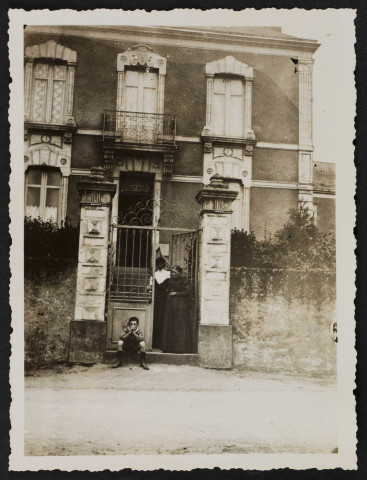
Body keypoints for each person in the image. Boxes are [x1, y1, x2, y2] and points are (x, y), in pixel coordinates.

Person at [161, 265, 194, 353]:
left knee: (179, 325)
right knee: (170, 324)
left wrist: (176, 293)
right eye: (172, 272)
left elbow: (188, 292)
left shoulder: (185, 280)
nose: (173, 274)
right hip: (170, 306)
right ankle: (168, 348)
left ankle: (180, 349)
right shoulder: (169, 280)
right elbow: (160, 287)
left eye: (175, 272)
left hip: (181, 306)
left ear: (180, 273)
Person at [151, 257, 170, 349]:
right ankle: (154, 343)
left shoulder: (168, 274)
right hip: (156, 299)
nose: (160, 265)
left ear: (164, 264)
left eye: (161, 264)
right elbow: (150, 286)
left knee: (163, 319)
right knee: (156, 319)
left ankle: (162, 344)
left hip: (165, 299)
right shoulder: (153, 274)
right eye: (158, 264)